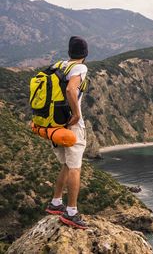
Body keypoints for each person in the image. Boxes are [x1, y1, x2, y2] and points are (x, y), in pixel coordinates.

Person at [45, 36, 89, 229]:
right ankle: (71, 212)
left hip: (55, 124)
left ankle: (55, 203)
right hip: (71, 125)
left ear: (70, 52)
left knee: (65, 164)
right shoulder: (80, 68)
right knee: (75, 168)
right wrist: (77, 114)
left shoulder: (59, 65)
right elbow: (72, 90)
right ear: (85, 54)